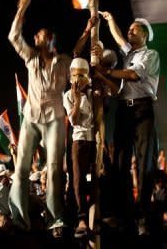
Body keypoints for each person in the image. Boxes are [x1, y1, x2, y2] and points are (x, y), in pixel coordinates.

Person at [7, 0, 71, 238]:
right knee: (21, 168)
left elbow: (79, 70)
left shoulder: (64, 62)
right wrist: (22, 9)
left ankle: (55, 219)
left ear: (51, 39)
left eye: (40, 34)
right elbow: (14, 35)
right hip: (31, 118)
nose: (35, 36)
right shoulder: (30, 58)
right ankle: (19, 219)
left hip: (55, 118)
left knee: (55, 169)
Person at [97, 11, 160, 235]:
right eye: (129, 29)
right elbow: (117, 38)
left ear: (144, 34)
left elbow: (134, 76)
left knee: (144, 163)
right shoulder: (128, 53)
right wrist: (110, 19)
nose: (129, 31)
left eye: (134, 29)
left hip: (143, 108)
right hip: (124, 110)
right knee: (120, 161)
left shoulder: (150, 55)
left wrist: (108, 71)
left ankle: (143, 214)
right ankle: (123, 213)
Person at [63, 57, 96, 238]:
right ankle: (81, 218)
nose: (78, 79)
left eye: (81, 75)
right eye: (74, 75)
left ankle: (102, 212)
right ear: (70, 78)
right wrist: (77, 99)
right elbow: (74, 120)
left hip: (96, 141)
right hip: (80, 141)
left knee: (101, 176)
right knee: (78, 181)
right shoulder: (68, 96)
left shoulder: (94, 92)